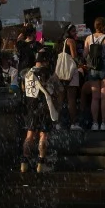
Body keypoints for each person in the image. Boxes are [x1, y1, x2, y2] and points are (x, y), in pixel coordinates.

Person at [21, 44, 58, 173]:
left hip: (31, 107)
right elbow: (58, 89)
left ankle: (24, 162)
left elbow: (23, 89)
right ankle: (41, 164)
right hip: (44, 107)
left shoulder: (27, 73)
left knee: (29, 135)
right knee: (43, 135)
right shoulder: (49, 73)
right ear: (46, 61)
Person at [84, 17, 105, 132]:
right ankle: (104, 123)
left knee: (95, 97)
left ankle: (94, 123)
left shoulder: (88, 38)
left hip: (93, 69)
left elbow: (85, 53)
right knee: (104, 97)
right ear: (104, 25)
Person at [54, 27, 82, 130]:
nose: (75, 33)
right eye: (73, 31)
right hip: (70, 72)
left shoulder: (58, 43)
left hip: (60, 73)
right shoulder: (70, 41)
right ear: (68, 32)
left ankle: (57, 123)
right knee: (71, 99)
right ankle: (73, 123)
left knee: (60, 100)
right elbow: (74, 57)